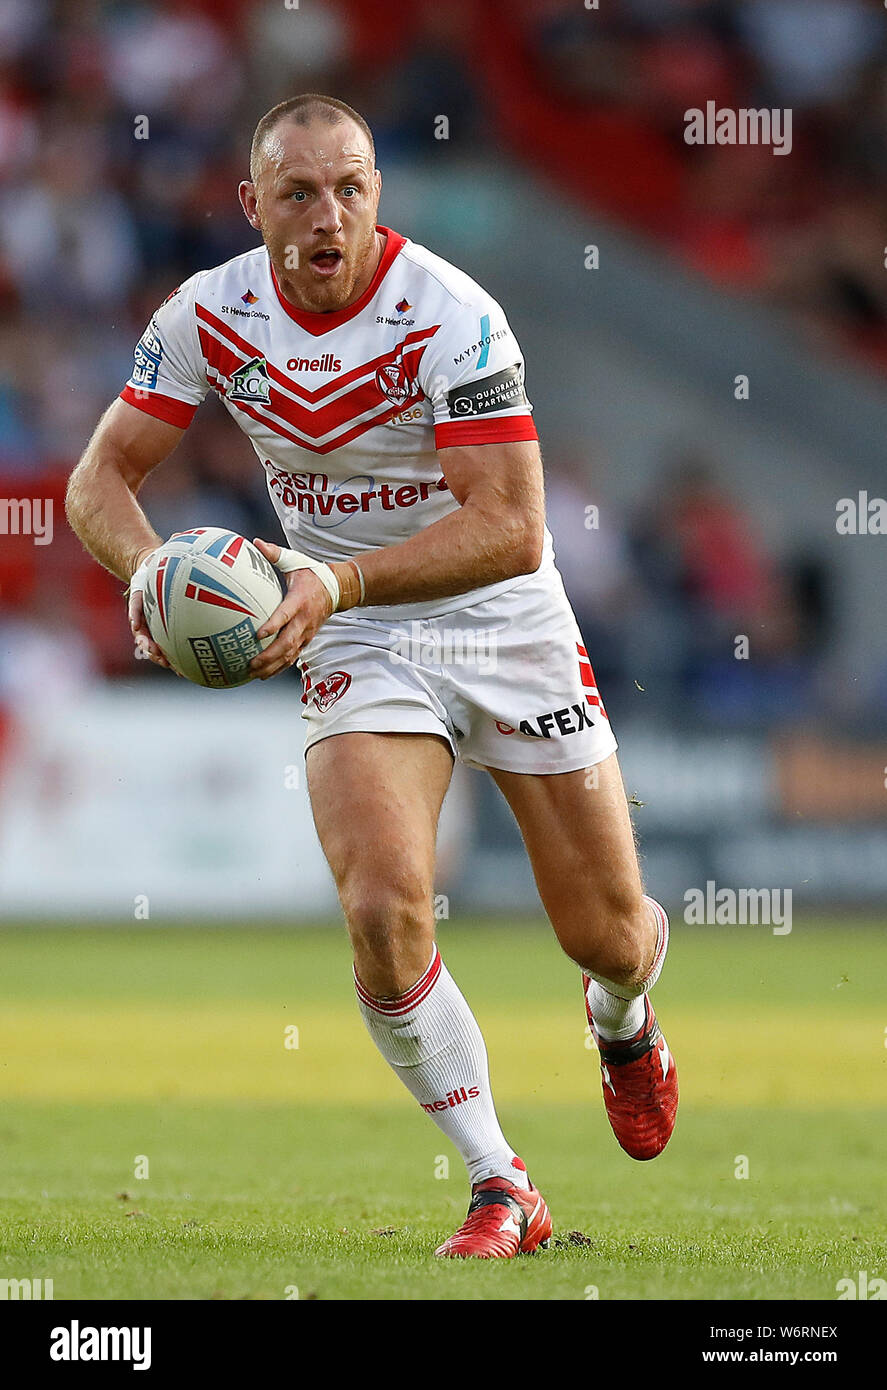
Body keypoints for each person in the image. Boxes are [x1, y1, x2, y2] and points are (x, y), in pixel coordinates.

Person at [66, 94, 677, 1259]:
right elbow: (99, 481)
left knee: (603, 931)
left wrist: (333, 586)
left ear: (377, 195)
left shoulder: (451, 314)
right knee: (382, 908)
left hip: (497, 618)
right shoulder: (207, 316)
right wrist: (153, 579)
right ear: (252, 207)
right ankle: (502, 1182)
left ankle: (623, 1016)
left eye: (349, 187)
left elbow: (510, 528)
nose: (326, 215)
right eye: (297, 193)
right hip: (349, 631)